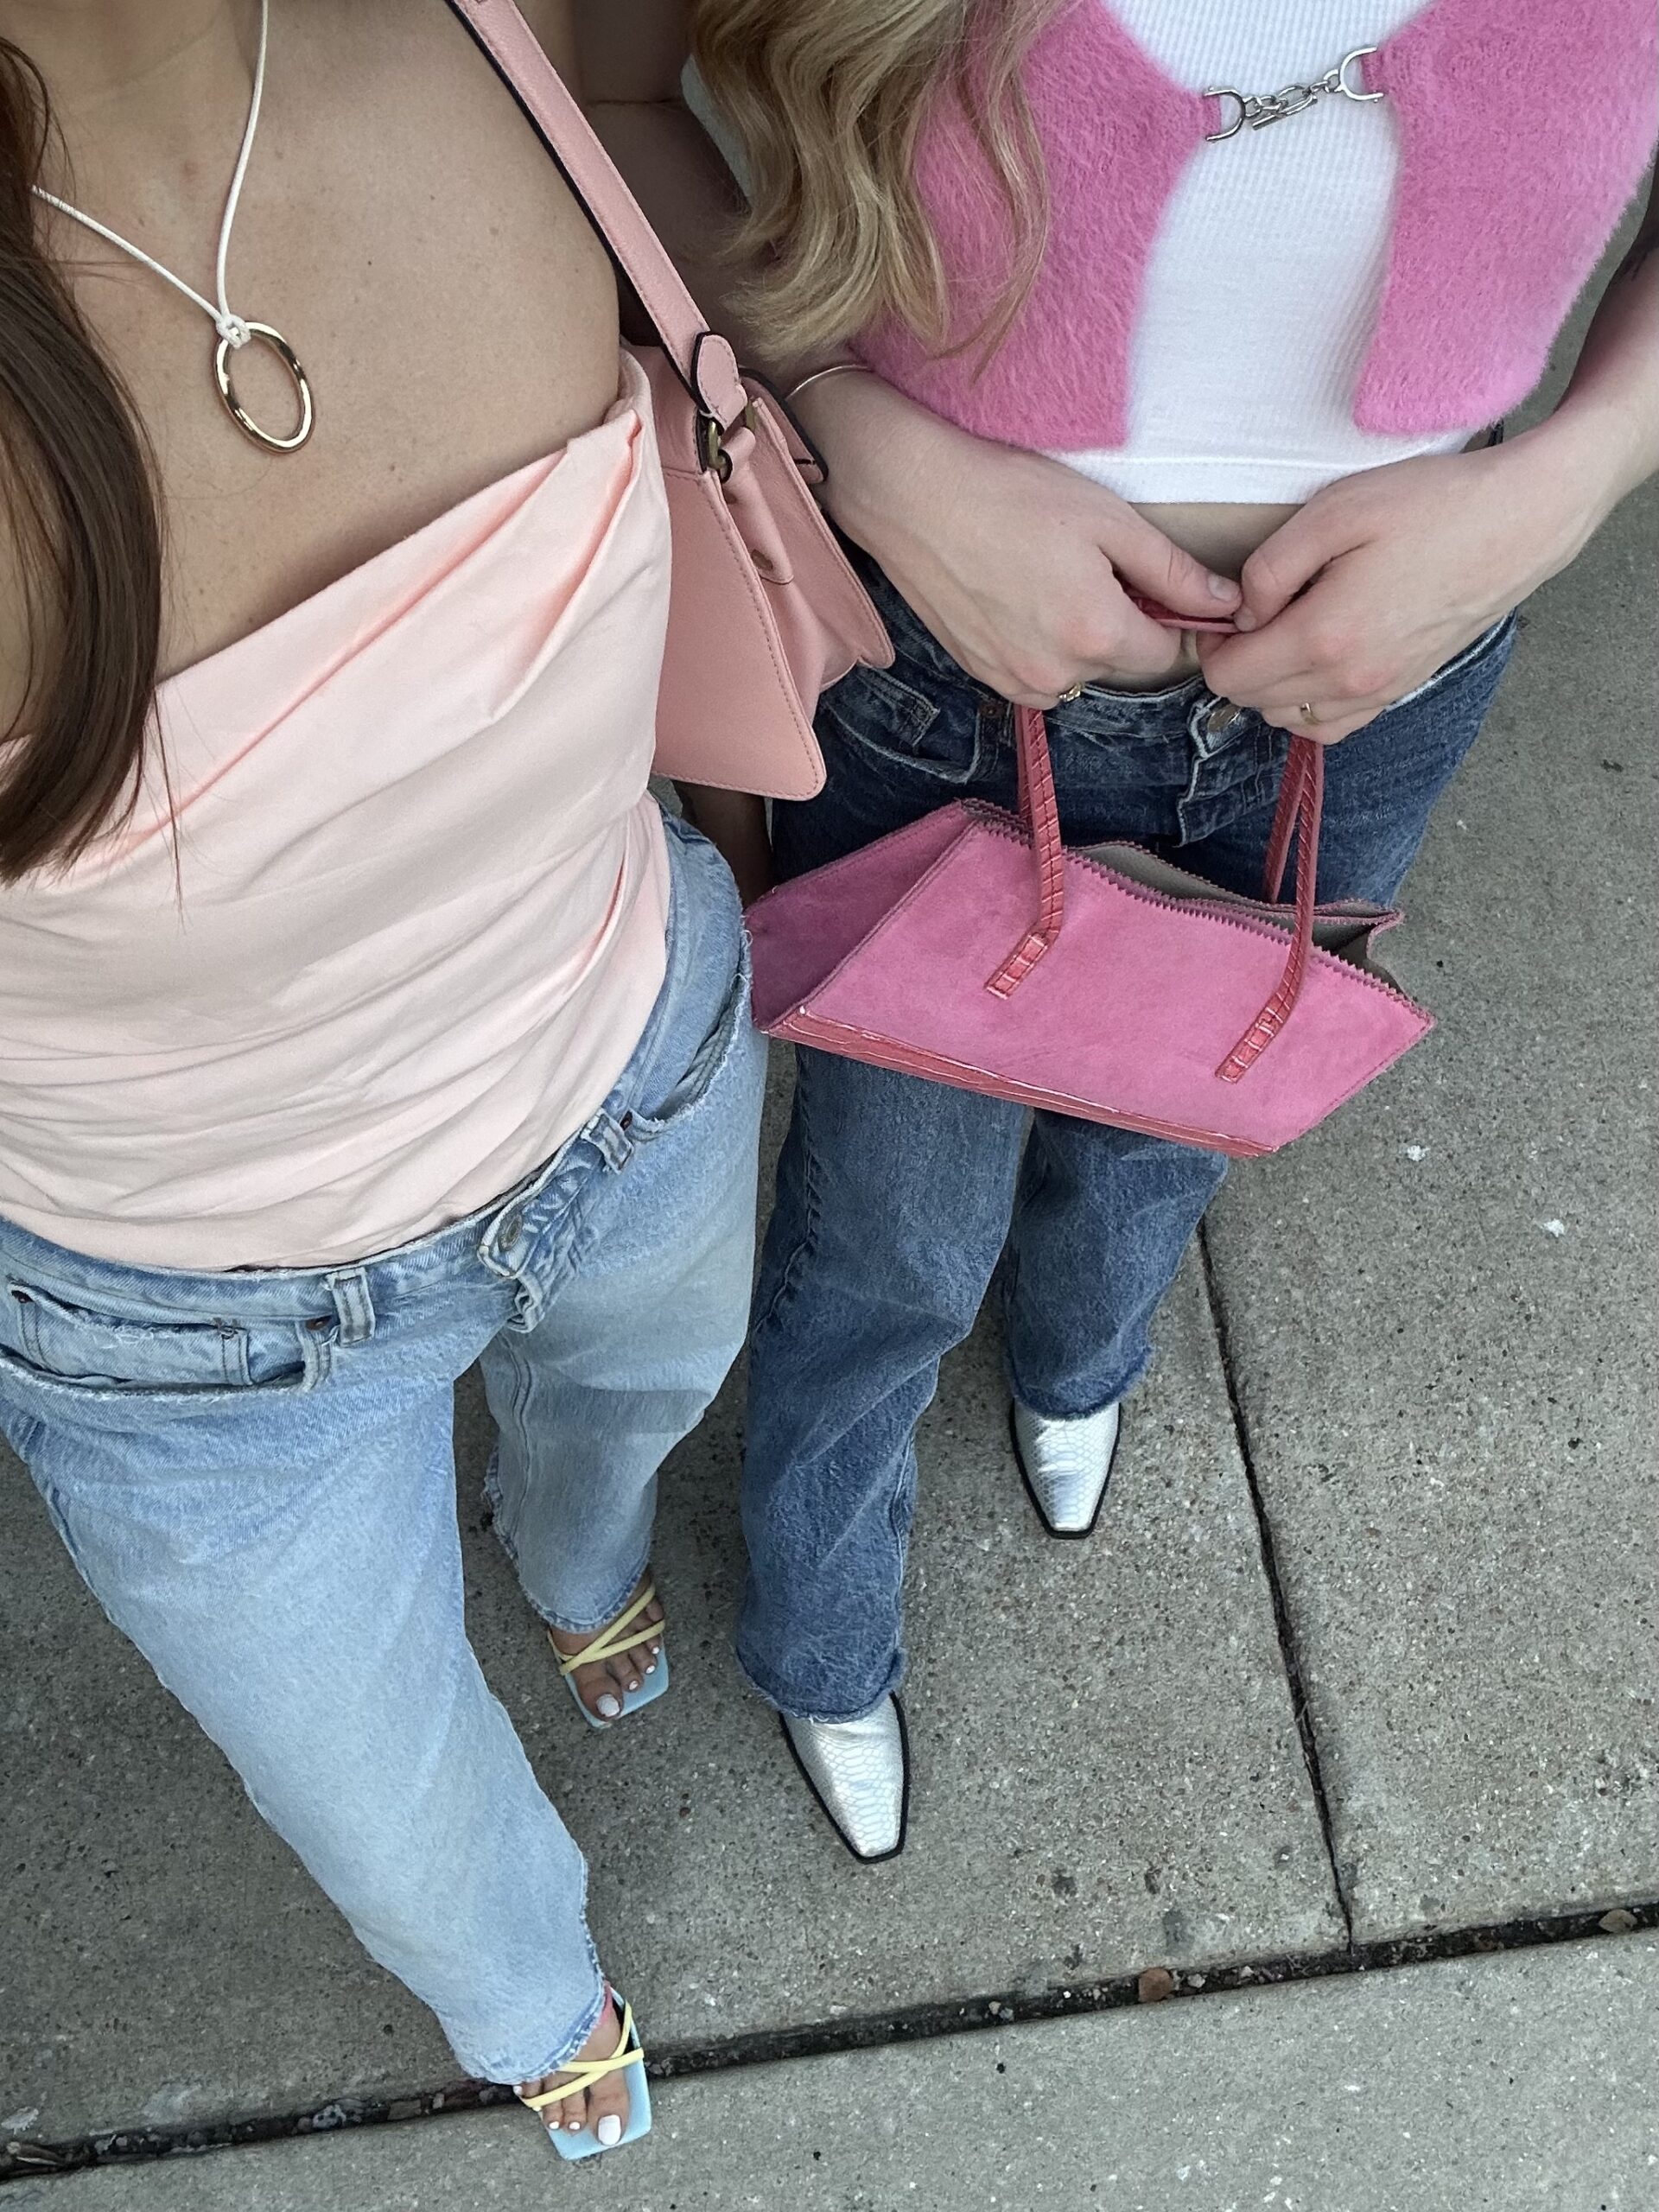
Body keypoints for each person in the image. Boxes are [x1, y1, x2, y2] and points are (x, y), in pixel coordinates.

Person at [601, 0, 1659, 1859]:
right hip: (938, 667)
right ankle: (821, 1615)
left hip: (1388, 674)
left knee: (1197, 1091)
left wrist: (1576, 475)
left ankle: (1083, 1356)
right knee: (895, 1220)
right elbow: (595, 87)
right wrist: (841, 423)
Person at [0, 0, 766, 2158]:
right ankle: (527, 1992)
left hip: (632, 1064)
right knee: (389, 1793)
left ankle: (576, 1551)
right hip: (194, 1335)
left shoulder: (501, 24)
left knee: (629, 1415)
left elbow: (692, 188)